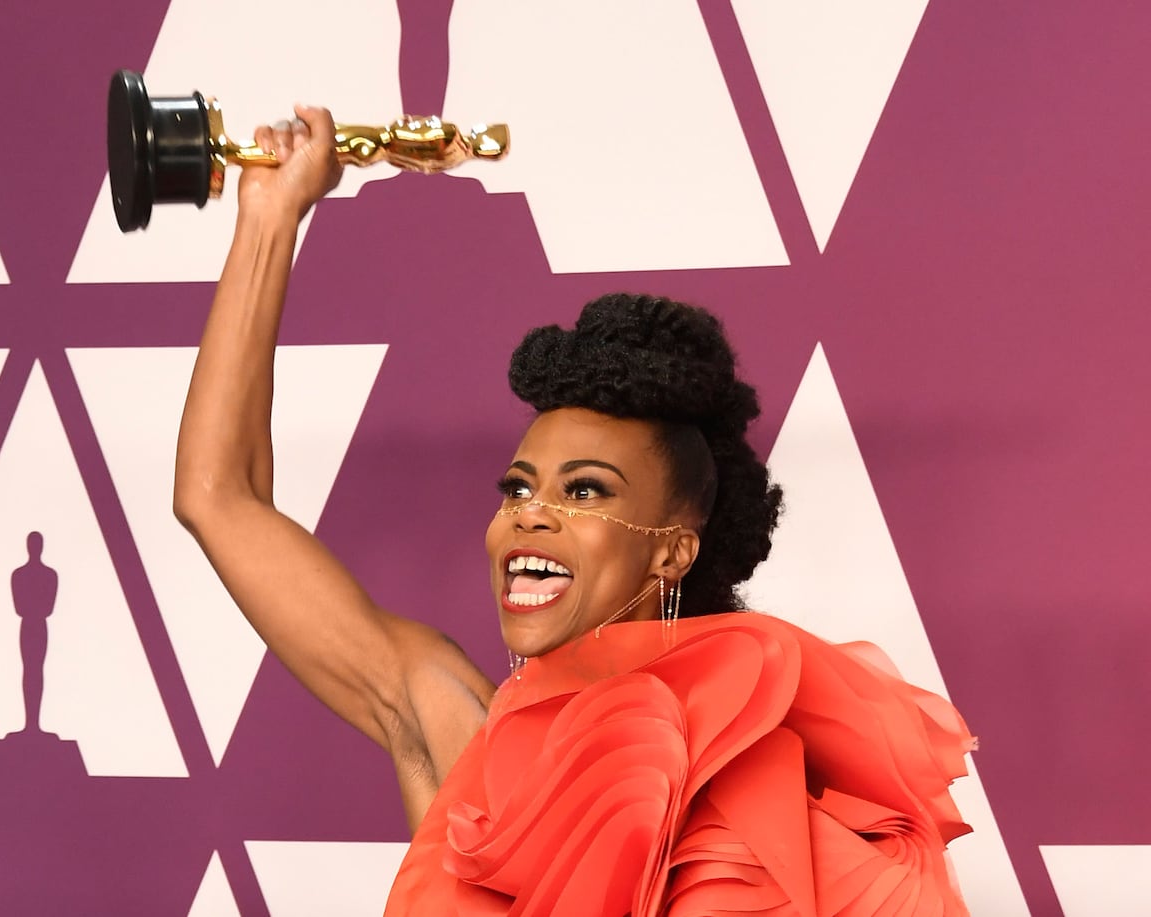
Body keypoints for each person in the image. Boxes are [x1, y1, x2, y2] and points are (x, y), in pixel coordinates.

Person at [173, 107, 974, 915]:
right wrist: (270, 217)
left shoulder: (764, 840)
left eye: (585, 489)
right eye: (518, 487)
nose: (530, 514)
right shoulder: (460, 735)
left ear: (673, 549)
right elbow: (219, 497)